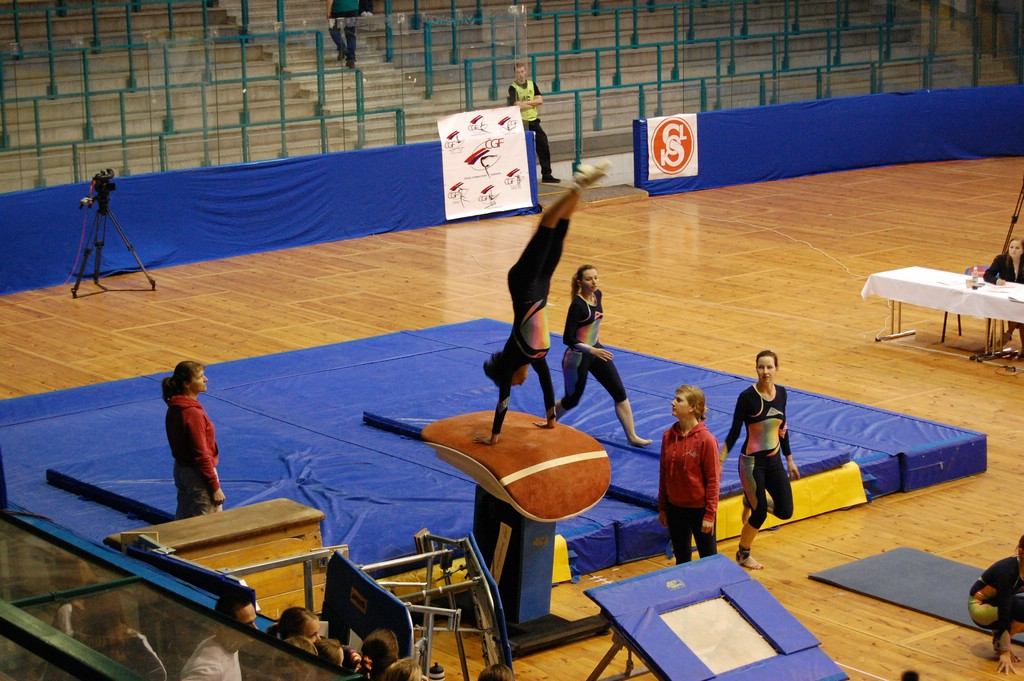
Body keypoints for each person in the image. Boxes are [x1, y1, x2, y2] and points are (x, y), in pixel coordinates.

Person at [482, 161, 611, 444]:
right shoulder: (536, 358)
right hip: (541, 285)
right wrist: (551, 417)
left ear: (509, 374)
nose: (519, 383)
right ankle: (582, 188)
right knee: (560, 232)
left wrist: (494, 437)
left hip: (522, 283)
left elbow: (503, 402)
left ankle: (576, 186)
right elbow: (546, 383)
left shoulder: (513, 360)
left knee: (545, 230)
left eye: (516, 382)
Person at [555, 264, 652, 447]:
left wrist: (596, 345)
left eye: (596, 278)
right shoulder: (577, 305)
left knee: (619, 393)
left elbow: (592, 325)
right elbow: (568, 338)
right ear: (580, 282)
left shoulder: (597, 295)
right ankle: (549, 419)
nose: (594, 282)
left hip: (596, 351)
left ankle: (632, 437)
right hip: (577, 358)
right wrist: (592, 350)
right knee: (572, 400)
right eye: (589, 279)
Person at [720, 350, 800, 570]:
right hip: (751, 464)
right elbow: (735, 431)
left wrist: (790, 460)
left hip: (774, 462)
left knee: (785, 511)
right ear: (756, 368)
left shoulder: (782, 394)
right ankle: (743, 555)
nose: (765, 372)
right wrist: (721, 460)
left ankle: (750, 500)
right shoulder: (747, 397)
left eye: (769, 367)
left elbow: (783, 429)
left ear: (776, 368)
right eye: (761, 367)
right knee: (761, 513)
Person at [658, 385, 720, 564]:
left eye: (679, 400)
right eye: (674, 399)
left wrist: (709, 515)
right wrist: (663, 507)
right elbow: (664, 473)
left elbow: (713, 480)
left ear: (692, 407)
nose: (673, 403)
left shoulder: (706, 440)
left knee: (709, 560)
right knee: (682, 560)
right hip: (675, 508)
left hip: (699, 510)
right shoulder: (668, 436)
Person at [163, 360, 225, 520]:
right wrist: (214, 486)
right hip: (198, 474)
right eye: (200, 377)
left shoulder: (175, 406)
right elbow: (201, 453)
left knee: (184, 517)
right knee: (208, 523)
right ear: (187, 384)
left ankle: (176, 545)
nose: (206, 379)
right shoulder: (192, 413)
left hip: (182, 469)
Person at [969, 534, 1024, 674]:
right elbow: (1004, 611)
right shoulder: (1007, 571)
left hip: (999, 603)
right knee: (1017, 609)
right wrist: (1005, 652)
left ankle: (999, 640)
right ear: (1021, 552)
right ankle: (1001, 644)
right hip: (980, 608)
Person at [179, 592, 258, 681]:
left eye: (254, 622)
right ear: (225, 627)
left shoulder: (231, 643)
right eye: (248, 625)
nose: (256, 629)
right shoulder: (208, 671)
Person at [508, 62, 559, 183]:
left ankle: (547, 174)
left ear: (525, 72)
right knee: (523, 151)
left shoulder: (532, 84)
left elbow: (540, 100)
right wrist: (532, 103)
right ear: (515, 74)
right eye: (518, 72)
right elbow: (516, 105)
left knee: (543, 146)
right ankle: (523, 177)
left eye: (522, 71)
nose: (521, 75)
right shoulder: (513, 88)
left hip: (534, 121)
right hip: (522, 123)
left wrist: (525, 104)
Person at [984, 237, 1024, 348]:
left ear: (1023, 250)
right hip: (1007, 296)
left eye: (1017, 248)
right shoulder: (1001, 259)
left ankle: (1009, 331)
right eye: (1011, 247)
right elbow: (987, 275)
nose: (1013, 250)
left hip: (1021, 295)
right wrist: (996, 280)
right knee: (1021, 314)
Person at [328, 0, 358, 68]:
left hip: (338, 9)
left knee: (333, 29)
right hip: (352, 8)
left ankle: (342, 47)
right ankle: (351, 59)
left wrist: (328, 10)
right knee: (350, 35)